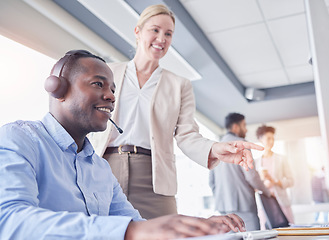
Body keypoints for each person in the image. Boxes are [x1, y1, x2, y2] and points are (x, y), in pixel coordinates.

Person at [0, 50, 247, 239]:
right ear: (58, 88)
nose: (110, 96)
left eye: (112, 89)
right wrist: (129, 231)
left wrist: (198, 226)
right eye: (98, 84)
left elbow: (136, 225)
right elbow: (9, 221)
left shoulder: (99, 168)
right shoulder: (19, 140)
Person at [89, 4, 263, 219]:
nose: (161, 38)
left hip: (154, 177)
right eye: (155, 30)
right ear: (138, 31)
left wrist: (216, 147)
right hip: (105, 169)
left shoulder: (179, 85)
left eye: (168, 33)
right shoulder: (108, 72)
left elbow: (187, 135)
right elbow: (87, 119)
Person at [209, 113, 272, 231]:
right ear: (235, 127)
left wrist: (221, 196)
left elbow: (211, 181)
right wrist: (267, 192)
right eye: (244, 125)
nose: (246, 129)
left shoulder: (216, 147)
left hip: (222, 206)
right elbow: (252, 177)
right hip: (243, 205)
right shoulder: (241, 144)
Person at [255, 124, 295, 227]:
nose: (271, 142)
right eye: (268, 139)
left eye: (273, 138)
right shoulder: (256, 162)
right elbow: (254, 187)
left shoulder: (282, 159)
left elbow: (291, 181)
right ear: (260, 140)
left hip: (281, 202)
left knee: (289, 231)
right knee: (266, 232)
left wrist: (275, 181)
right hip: (265, 204)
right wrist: (262, 180)